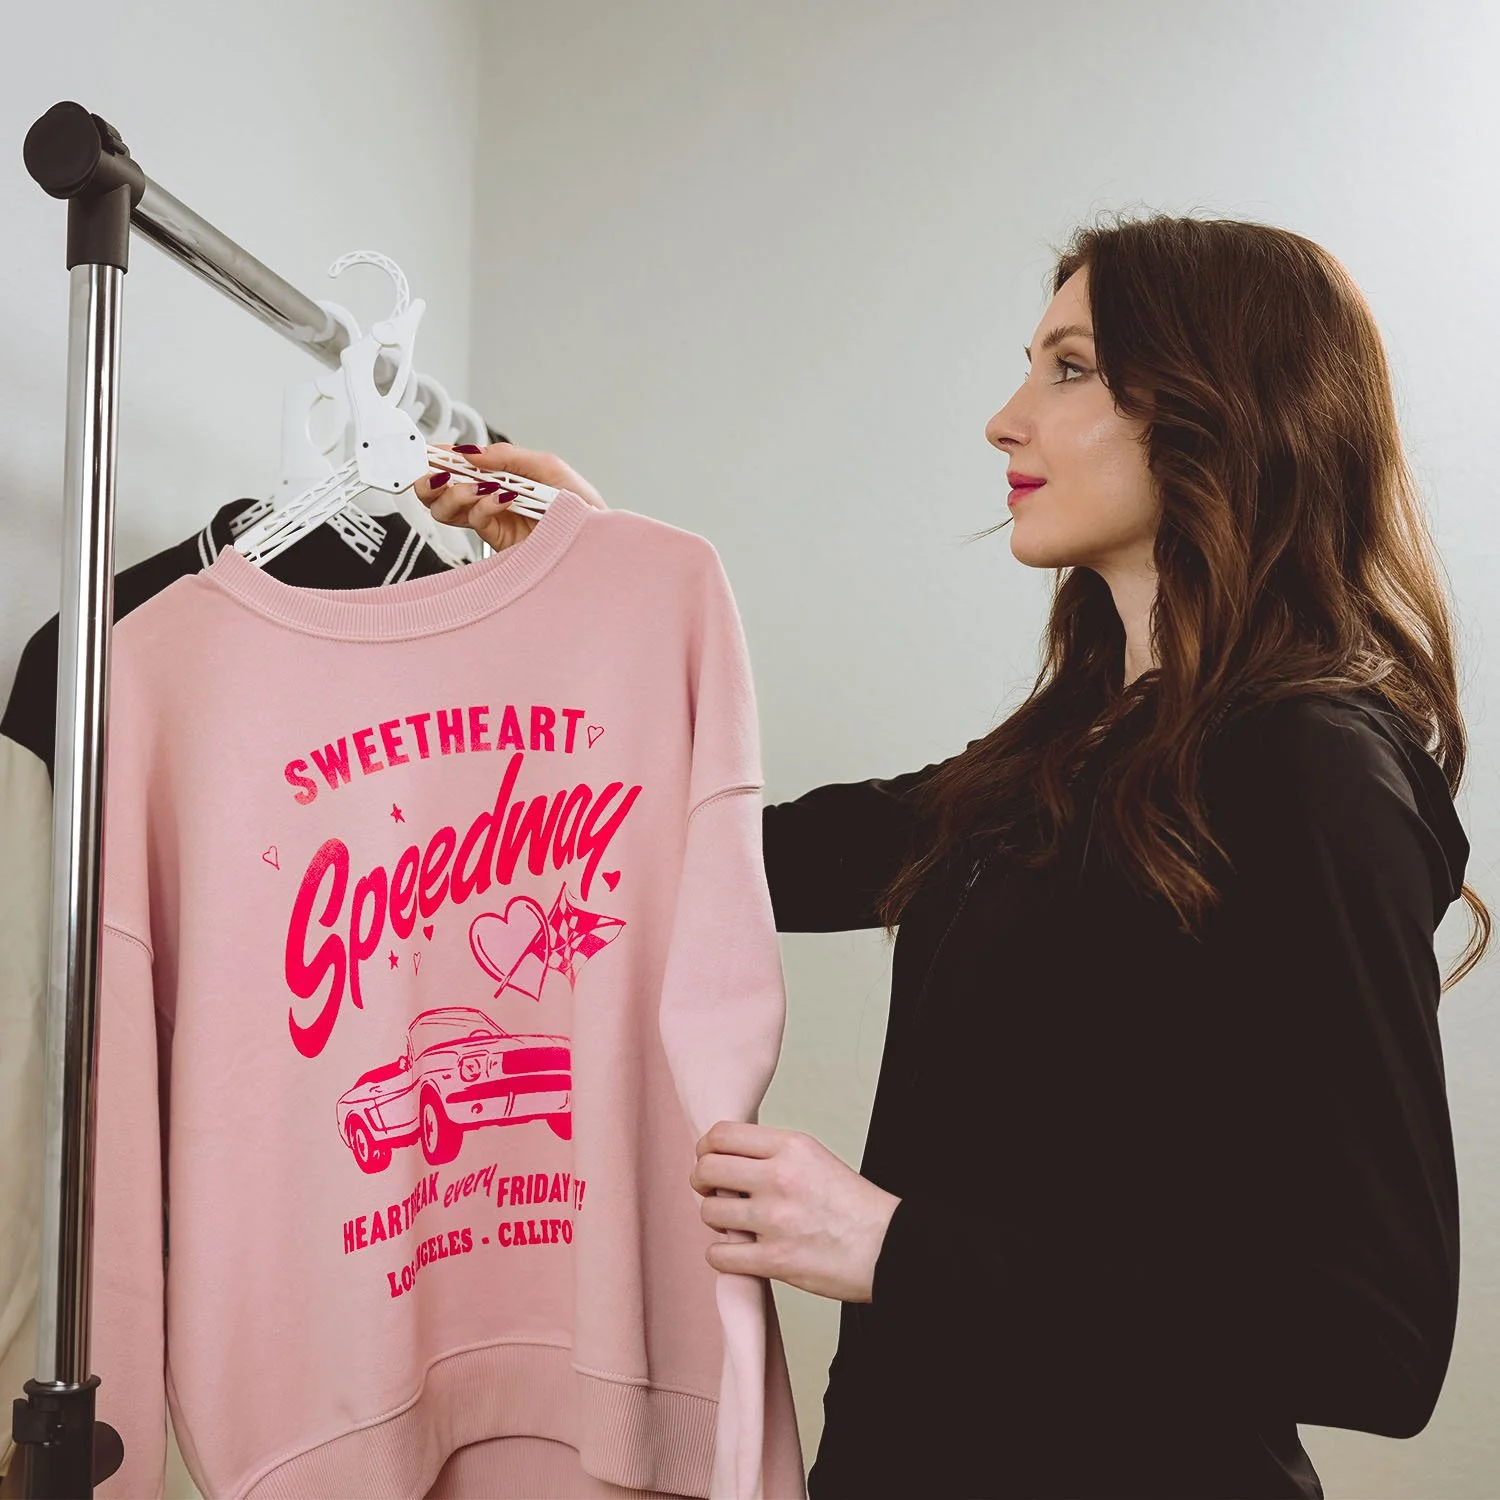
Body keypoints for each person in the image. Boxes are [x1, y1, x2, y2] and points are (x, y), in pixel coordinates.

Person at [415, 212, 1488, 1499]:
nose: (1006, 418)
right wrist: (596, 577)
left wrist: (891, 1246)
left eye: (1070, 369)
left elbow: (1374, 1337)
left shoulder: (1314, 769)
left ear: (1223, 405)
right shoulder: (1065, 757)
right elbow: (728, 861)